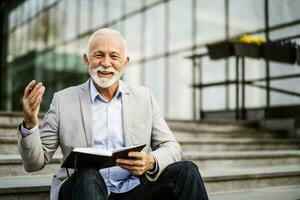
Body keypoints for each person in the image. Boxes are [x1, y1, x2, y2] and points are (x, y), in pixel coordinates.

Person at [18, 28, 209, 200]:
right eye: (99, 55)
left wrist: (151, 161)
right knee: (88, 173)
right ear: (86, 60)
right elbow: (34, 163)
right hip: (83, 189)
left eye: (114, 56)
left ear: (125, 63)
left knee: (187, 170)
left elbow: (172, 146)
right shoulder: (63, 100)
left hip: (133, 189)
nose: (106, 63)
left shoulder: (144, 97)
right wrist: (30, 122)